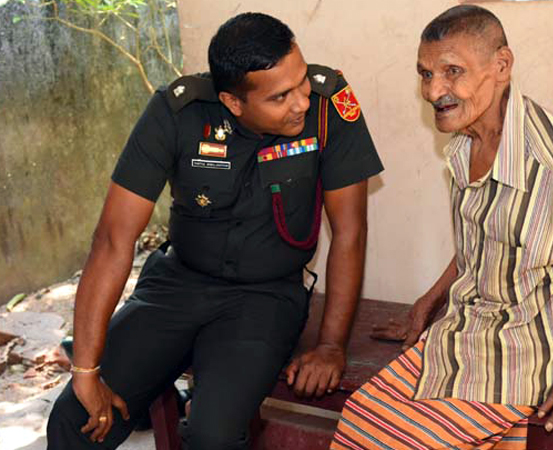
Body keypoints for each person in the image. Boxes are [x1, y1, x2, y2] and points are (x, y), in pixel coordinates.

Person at [47, 12, 383, 450]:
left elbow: (350, 232)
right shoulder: (178, 112)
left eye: (301, 82)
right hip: (176, 285)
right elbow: (113, 240)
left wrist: (331, 346)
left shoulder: (329, 106)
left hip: (265, 297)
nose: (301, 101)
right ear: (233, 102)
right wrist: (86, 371)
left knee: (213, 436)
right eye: (280, 97)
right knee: (72, 420)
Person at [331, 5, 553, 449]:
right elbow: (485, 237)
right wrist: (428, 301)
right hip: (465, 327)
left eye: (452, 72)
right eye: (425, 74)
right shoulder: (466, 140)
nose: (433, 90)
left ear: (501, 66)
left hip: (524, 345)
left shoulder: (550, 163)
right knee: (360, 418)